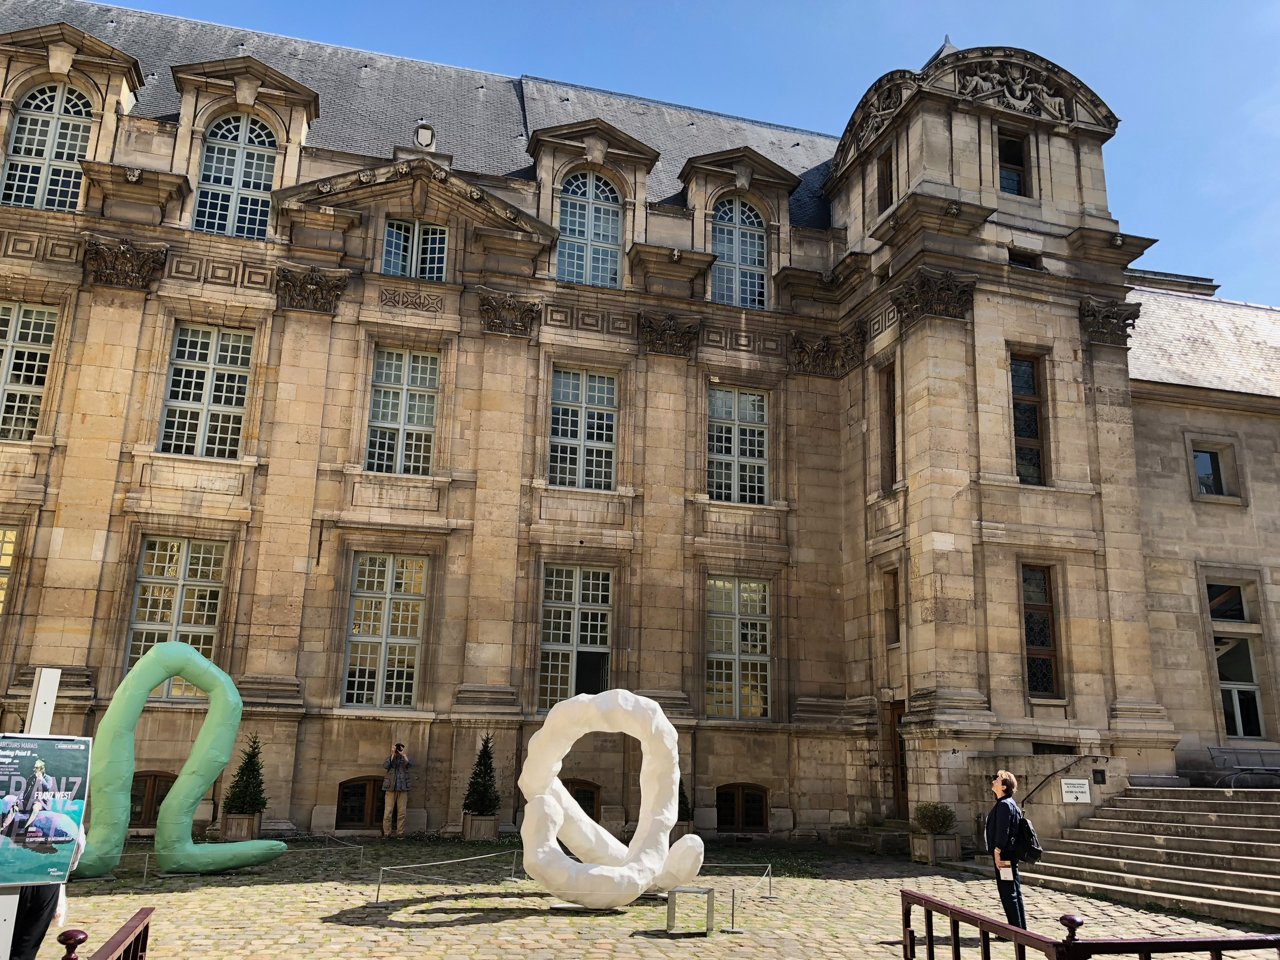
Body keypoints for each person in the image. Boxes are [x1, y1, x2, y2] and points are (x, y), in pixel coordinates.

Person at [985, 769, 1027, 929]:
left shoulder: (1004, 805)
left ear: (1004, 786)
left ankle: (1015, 929)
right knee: (1013, 890)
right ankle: (1019, 927)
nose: (994, 780)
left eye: (998, 779)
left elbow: (1003, 831)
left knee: (1008, 891)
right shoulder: (1008, 804)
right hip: (1008, 853)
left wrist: (997, 852)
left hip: (1004, 854)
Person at [1, 758, 55, 840]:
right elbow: (25, 791)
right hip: (30, 801)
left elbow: (47, 788)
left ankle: (25, 829)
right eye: (35, 767)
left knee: (35, 808)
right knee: (15, 807)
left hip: (41, 803)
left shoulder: (48, 778)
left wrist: (40, 779)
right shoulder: (31, 778)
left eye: (36, 768)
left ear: (42, 769)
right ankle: (3, 826)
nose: (34, 769)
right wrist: (19, 800)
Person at [382, 743, 412, 839]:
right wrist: (392, 754)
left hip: (402, 789)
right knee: (388, 812)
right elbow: (386, 766)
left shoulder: (404, 759)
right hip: (391, 789)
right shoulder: (390, 758)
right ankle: (386, 833)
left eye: (401, 748)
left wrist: (404, 755)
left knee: (402, 813)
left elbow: (410, 765)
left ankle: (400, 832)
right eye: (398, 748)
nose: (399, 750)